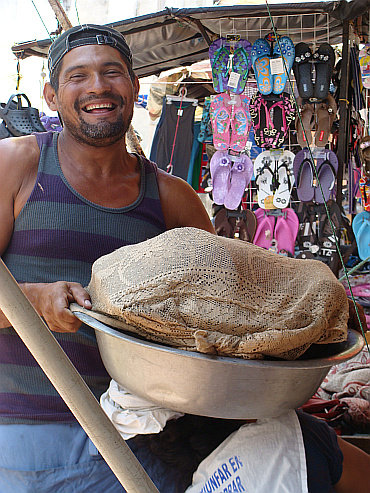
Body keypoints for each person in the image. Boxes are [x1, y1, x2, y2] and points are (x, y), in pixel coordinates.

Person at [0, 23, 367, 493]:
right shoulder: (16, 167)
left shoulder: (173, 198)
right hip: (27, 433)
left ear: (133, 87)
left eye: (112, 73)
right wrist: (32, 301)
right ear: (51, 95)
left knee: (316, 448)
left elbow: (225, 313)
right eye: (78, 76)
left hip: (142, 437)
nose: (97, 87)